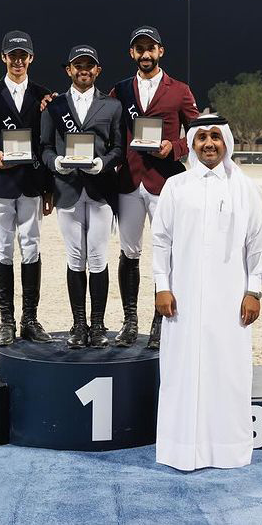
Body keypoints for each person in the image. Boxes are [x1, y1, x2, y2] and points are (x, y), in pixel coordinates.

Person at [152, 114, 262, 471]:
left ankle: (227, 450)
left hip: (229, 303)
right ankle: (181, 450)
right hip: (181, 301)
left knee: (228, 373)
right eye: (201, 137)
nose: (209, 144)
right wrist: (162, 286)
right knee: (180, 373)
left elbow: (257, 245)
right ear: (192, 143)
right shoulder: (176, 186)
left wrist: (254, 291)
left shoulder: (244, 187)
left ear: (226, 142)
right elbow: (160, 241)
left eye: (215, 137)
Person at [108, 25, 199, 349]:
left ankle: (161, 323)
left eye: (151, 48)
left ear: (161, 51)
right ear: (132, 53)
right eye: (139, 49)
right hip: (130, 182)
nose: (145, 54)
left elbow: (196, 133)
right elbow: (99, 120)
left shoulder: (180, 90)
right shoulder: (120, 90)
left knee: (168, 253)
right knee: (128, 252)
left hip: (165, 184)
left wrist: (173, 148)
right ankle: (129, 322)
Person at [0, 30, 56, 346]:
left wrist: (49, 187)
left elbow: (48, 143)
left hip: (31, 183)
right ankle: (6, 320)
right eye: (12, 56)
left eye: (23, 56)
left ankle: (30, 319)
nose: (18, 61)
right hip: (0, 183)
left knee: (31, 247)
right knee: (4, 249)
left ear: (31, 58)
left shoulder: (45, 97)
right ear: (4, 58)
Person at [40, 46, 125, 348]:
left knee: (99, 258)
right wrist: (55, 163)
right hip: (68, 188)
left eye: (89, 65)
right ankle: (78, 324)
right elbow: (45, 147)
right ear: (69, 70)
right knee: (76, 258)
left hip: (100, 188)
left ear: (98, 71)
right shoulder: (54, 106)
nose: (84, 70)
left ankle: (99, 325)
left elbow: (118, 147)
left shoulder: (112, 106)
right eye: (78, 65)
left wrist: (105, 162)